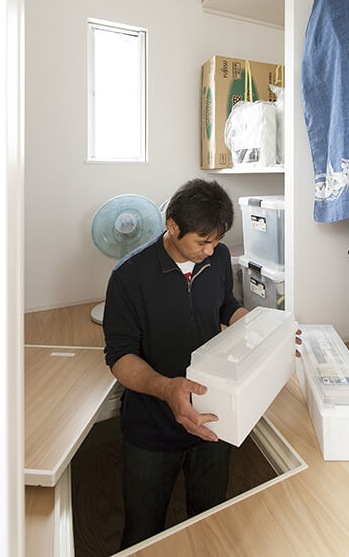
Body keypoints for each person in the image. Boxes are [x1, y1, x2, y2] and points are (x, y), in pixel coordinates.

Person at [102, 178, 250, 549]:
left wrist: (262, 331)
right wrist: (167, 388)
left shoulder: (217, 258)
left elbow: (226, 306)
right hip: (152, 428)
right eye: (202, 241)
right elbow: (120, 355)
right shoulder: (129, 276)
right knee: (142, 531)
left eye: (217, 240)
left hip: (211, 417)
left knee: (208, 520)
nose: (211, 250)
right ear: (172, 226)